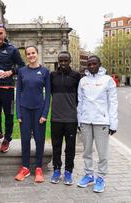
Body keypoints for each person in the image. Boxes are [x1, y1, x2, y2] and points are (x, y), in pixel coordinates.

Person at [77, 55, 118, 193]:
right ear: (86, 66)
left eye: (94, 64)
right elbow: (80, 102)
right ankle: (89, 175)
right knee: (87, 151)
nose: (92, 66)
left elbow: (113, 102)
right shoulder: (83, 81)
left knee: (102, 153)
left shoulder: (108, 80)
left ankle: (100, 177)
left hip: (102, 121)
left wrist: (113, 124)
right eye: (89, 64)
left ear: (100, 64)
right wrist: (79, 119)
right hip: (86, 121)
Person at [0, 23, 25, 152]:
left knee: (9, 114)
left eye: (0, 33)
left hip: (8, 88)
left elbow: (22, 65)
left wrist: (11, 71)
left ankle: (7, 139)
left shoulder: (12, 49)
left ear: (5, 34)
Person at [15, 46, 50, 183]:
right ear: (26, 56)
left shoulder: (45, 71)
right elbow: (18, 94)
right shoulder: (22, 71)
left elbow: (47, 95)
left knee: (39, 140)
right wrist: (18, 112)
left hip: (39, 111)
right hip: (24, 110)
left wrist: (45, 113)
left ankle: (39, 168)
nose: (31, 55)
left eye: (33, 53)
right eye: (28, 54)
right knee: (25, 140)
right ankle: (25, 168)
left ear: (37, 53)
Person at [49, 51, 81, 185]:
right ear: (58, 61)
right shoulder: (52, 76)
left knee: (70, 148)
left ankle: (68, 172)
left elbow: (80, 97)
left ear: (70, 61)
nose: (63, 63)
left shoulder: (76, 76)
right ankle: (57, 170)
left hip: (71, 119)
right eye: (61, 61)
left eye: (65, 61)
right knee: (56, 147)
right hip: (56, 118)